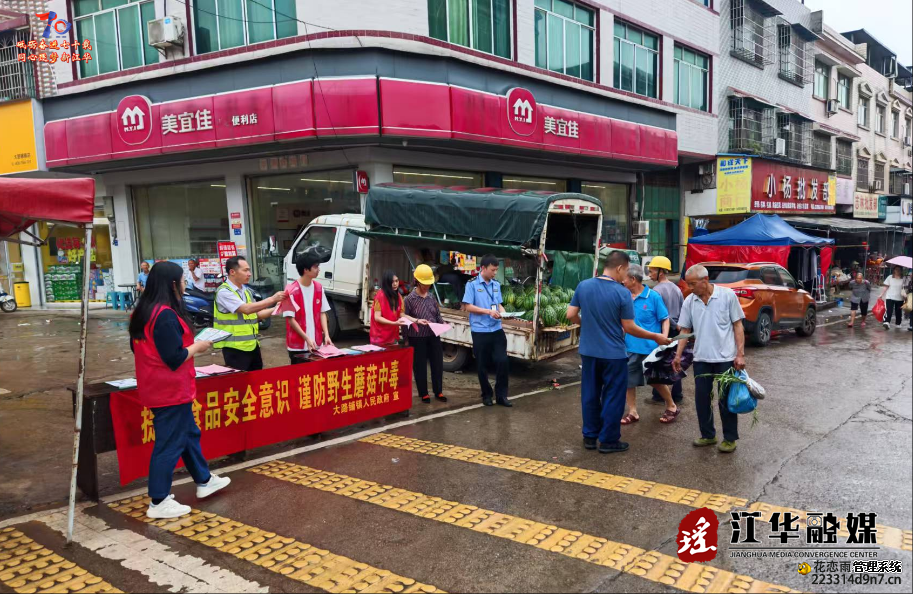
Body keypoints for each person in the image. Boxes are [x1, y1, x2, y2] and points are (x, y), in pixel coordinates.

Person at [128, 262, 230, 519]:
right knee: (169, 443)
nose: (185, 284)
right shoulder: (164, 315)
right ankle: (159, 500)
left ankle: (204, 480)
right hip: (169, 390)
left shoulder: (142, 311)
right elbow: (174, 357)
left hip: (159, 386)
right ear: (172, 284)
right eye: (183, 280)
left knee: (187, 435)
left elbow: (141, 349)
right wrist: (199, 346)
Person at [567, 251, 672, 454]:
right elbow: (630, 327)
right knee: (613, 396)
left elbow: (570, 314)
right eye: (625, 271)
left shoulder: (584, 285)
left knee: (590, 393)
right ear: (619, 268)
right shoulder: (621, 292)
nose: (625, 277)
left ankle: (589, 437)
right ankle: (608, 440)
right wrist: (655, 337)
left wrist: (586, 324)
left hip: (588, 352)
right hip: (613, 354)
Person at [673, 264, 746, 454]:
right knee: (702, 399)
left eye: (692, 283)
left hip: (725, 358)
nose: (689, 287)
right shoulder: (690, 301)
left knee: (725, 400)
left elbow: (738, 326)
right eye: (688, 284)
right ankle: (708, 435)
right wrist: (678, 355)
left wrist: (740, 354)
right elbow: (685, 330)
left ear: (705, 281)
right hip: (701, 358)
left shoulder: (727, 296)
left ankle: (730, 438)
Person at [621, 265, 679, 425]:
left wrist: (664, 337)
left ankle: (672, 406)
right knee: (628, 381)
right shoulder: (624, 297)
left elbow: (665, 318)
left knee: (655, 380)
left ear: (633, 279)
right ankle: (632, 411)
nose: (622, 281)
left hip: (650, 349)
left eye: (625, 278)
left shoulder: (653, 296)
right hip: (630, 348)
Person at [214, 256, 286, 371]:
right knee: (240, 384)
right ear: (232, 272)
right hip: (235, 349)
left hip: (252, 345)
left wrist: (278, 309)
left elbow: (256, 314)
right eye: (245, 270)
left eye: (249, 270)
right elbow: (246, 309)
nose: (249, 274)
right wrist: (273, 299)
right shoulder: (224, 292)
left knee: (256, 382)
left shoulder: (246, 291)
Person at [462, 254, 511, 408]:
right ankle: (486, 395)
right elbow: (468, 306)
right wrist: (488, 312)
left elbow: (499, 304)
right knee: (482, 364)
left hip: (497, 329)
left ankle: (502, 395)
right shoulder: (472, 284)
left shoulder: (496, 285)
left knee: (502, 361)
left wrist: (504, 313)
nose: (495, 273)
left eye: (496, 270)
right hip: (480, 330)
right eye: (492, 270)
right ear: (483, 268)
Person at [404, 264, 445, 404]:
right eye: (424, 284)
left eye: (429, 284)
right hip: (417, 337)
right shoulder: (409, 299)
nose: (427, 286)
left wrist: (442, 324)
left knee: (437, 364)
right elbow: (404, 319)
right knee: (420, 365)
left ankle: (438, 391)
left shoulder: (432, 297)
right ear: (417, 281)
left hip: (433, 335)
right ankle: (424, 393)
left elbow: (437, 314)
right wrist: (406, 339)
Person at [284, 252, 334, 364]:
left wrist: (326, 335)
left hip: (316, 343)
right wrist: (306, 338)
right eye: (315, 267)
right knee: (300, 378)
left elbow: (322, 313)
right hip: (297, 346)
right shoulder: (290, 290)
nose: (318, 269)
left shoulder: (319, 288)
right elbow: (290, 319)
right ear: (306, 270)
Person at [647, 256, 684, 405]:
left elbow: (663, 314)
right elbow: (682, 310)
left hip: (664, 330)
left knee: (659, 363)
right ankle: (677, 394)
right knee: (675, 361)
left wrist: (674, 324)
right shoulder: (677, 288)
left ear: (661, 272)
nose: (649, 274)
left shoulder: (656, 291)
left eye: (652, 271)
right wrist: (679, 325)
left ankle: (658, 395)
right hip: (677, 331)